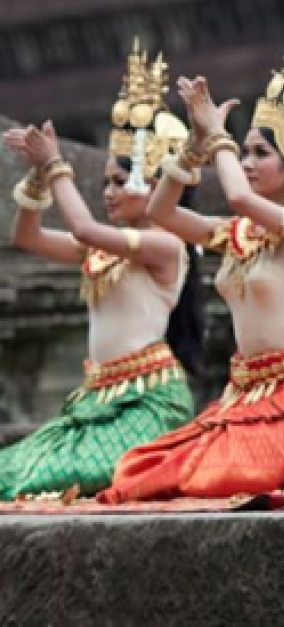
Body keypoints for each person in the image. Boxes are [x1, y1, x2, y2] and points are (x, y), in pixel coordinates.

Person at [100, 19, 284, 501]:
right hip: (245, 394)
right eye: (245, 151)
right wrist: (193, 148)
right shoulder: (235, 234)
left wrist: (219, 137)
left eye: (261, 153)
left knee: (214, 481)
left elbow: (236, 194)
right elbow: (160, 209)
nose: (249, 162)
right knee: (142, 471)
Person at [0, 43, 196, 498]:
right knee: (10, 471)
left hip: (147, 405)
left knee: (51, 481)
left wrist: (56, 166)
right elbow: (27, 237)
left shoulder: (165, 246)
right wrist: (36, 177)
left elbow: (85, 229)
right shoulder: (108, 251)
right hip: (94, 401)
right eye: (106, 180)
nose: (109, 191)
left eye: (120, 181)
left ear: (155, 186)